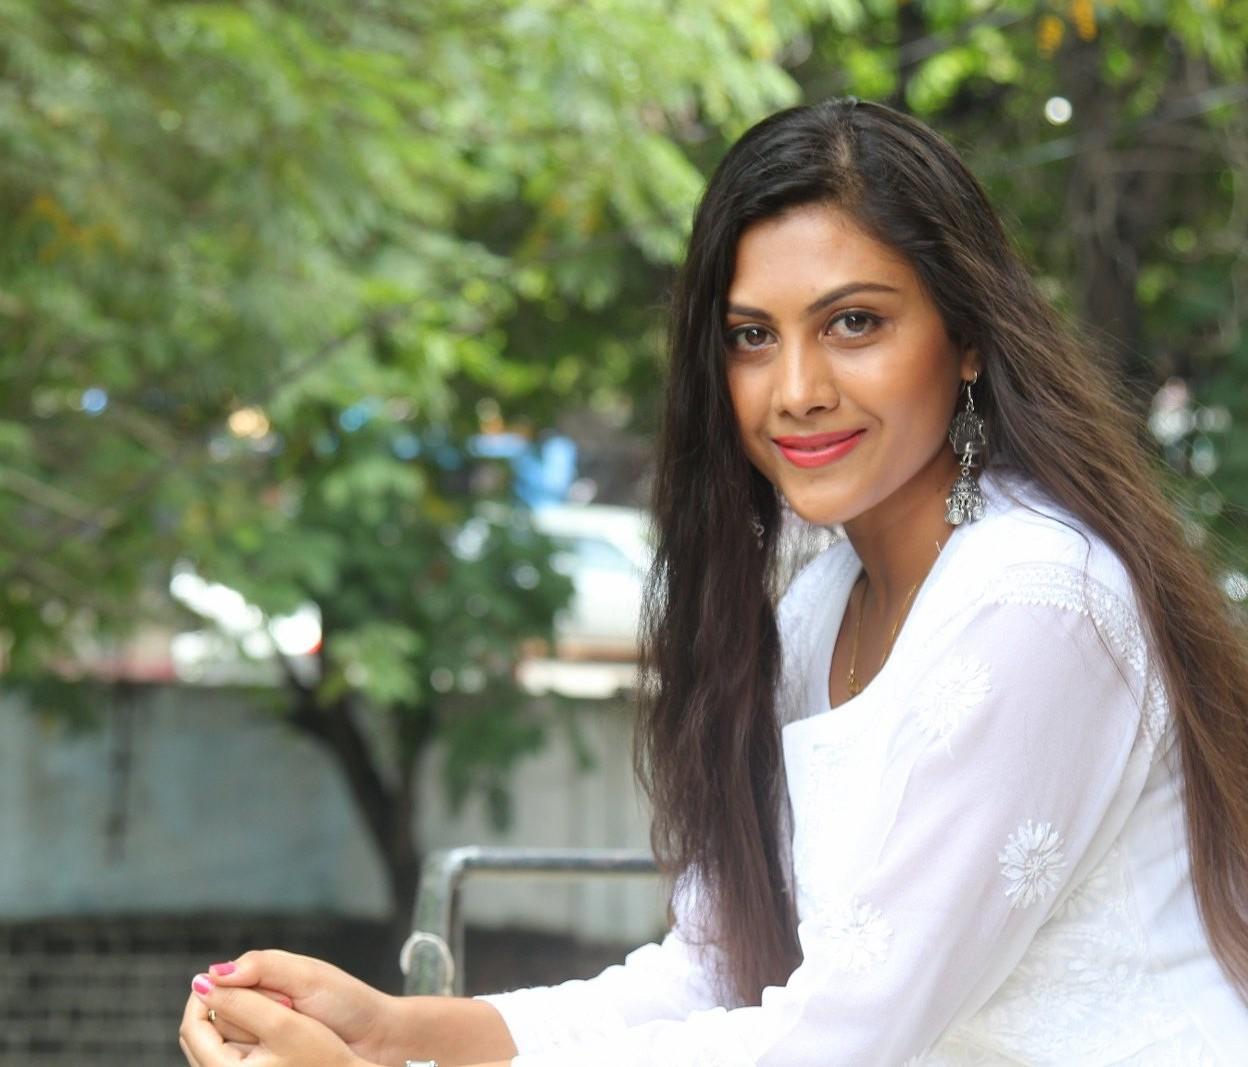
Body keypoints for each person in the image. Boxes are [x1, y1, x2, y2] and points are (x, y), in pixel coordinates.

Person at [178, 98, 1248, 1065]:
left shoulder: (1038, 601)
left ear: (966, 338)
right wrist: (398, 1031)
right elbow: (716, 973)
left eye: (854, 322)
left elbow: (840, 1037)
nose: (796, 389)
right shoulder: (821, 605)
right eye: (750, 337)